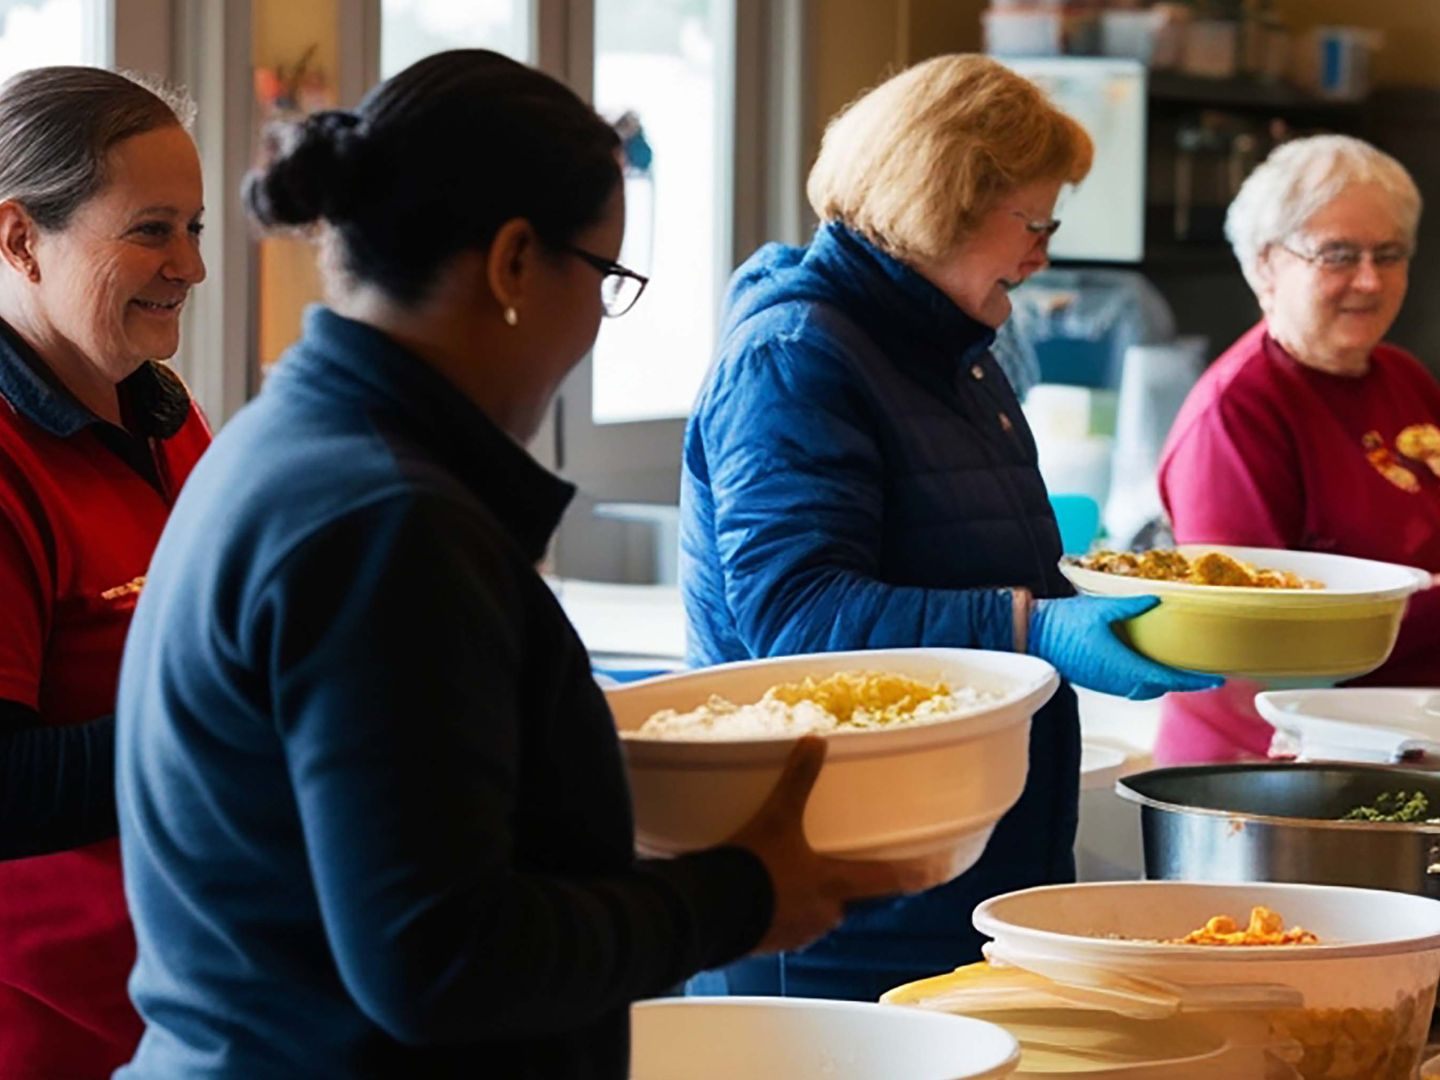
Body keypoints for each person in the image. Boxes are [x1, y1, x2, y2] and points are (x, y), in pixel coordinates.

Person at [114, 49, 944, 1079]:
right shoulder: (388, 522)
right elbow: (441, 958)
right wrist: (745, 894)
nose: (599, 320)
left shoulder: (289, 444)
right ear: (513, 264)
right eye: (605, 276)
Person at [678, 53, 1219, 1003]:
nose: (1045, 253)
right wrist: (1037, 629)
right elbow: (796, 619)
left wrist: (1129, 606)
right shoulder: (797, 357)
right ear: (948, 201)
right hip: (838, 897)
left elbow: (980, 558)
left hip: (952, 869)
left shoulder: (950, 351)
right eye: (1037, 221)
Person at [0, 67, 209, 1075]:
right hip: (50, 1025)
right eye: (153, 230)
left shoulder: (165, 415)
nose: (191, 268)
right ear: (18, 240)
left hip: (183, 993)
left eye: (197, 229)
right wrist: (239, 723)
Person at [1155, 134, 1440, 765]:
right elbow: (1258, 637)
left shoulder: (1403, 378)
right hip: (1274, 766)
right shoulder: (1236, 412)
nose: (1369, 279)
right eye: (1337, 254)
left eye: (1389, 253)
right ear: (1265, 265)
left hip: (1397, 741)